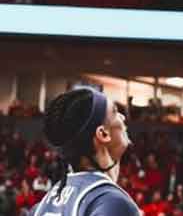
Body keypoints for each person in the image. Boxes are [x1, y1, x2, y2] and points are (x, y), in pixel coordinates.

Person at [31, 87, 138, 216]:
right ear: (103, 134)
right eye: (115, 112)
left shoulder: (42, 204)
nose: (123, 117)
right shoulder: (113, 204)